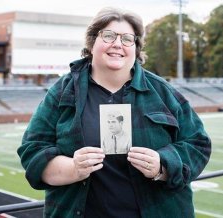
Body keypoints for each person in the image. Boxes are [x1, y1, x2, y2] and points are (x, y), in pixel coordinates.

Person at [17, 7, 211, 218]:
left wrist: (162, 165)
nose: (117, 44)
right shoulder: (63, 91)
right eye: (108, 36)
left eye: (128, 39)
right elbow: (32, 150)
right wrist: (73, 168)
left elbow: (198, 144)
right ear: (92, 43)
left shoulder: (162, 92)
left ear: (136, 48)